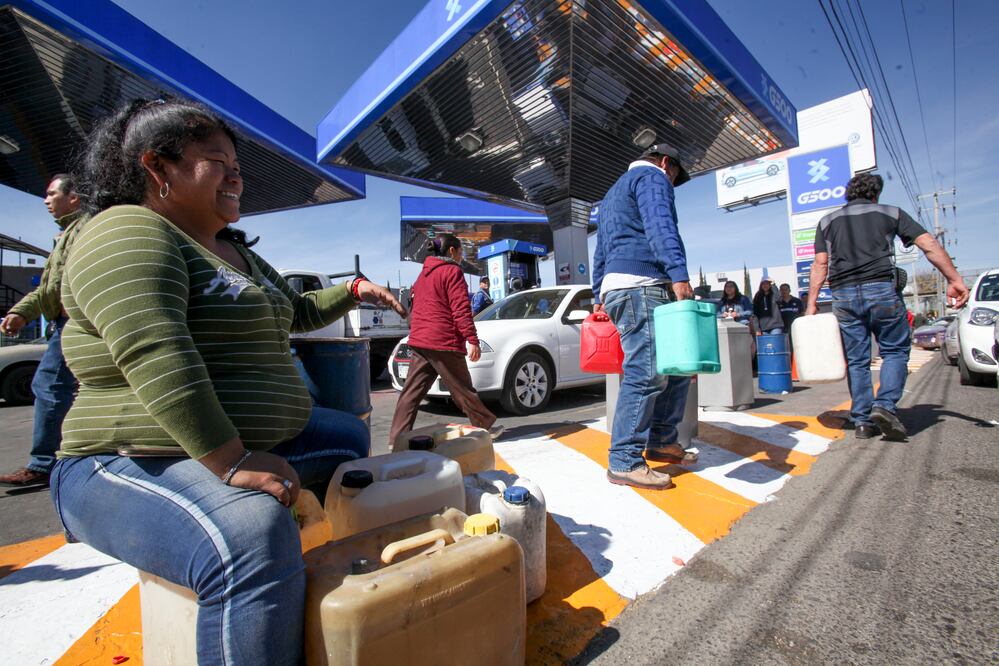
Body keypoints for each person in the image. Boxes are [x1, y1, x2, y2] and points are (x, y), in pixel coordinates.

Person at [50, 98, 406, 665]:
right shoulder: (126, 229)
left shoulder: (236, 254)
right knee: (249, 537)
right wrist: (233, 463)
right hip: (125, 459)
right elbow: (154, 349)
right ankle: (256, 576)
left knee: (348, 438)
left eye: (237, 163)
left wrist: (354, 290)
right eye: (217, 160)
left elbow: (299, 311)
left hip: (239, 444)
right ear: (158, 168)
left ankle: (285, 580)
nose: (237, 174)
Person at [806, 173, 968, 441]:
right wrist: (954, 279)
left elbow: (820, 264)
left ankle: (861, 421)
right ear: (875, 194)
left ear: (849, 194)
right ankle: (884, 406)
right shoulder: (891, 213)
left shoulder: (827, 221)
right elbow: (928, 244)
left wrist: (811, 304)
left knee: (857, 360)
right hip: (880, 289)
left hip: (843, 295)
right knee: (893, 351)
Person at [592, 142, 695, 491]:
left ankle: (662, 438)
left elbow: (601, 249)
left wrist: (598, 293)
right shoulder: (652, 178)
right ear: (666, 162)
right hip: (644, 284)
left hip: (620, 287)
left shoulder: (612, 193)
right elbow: (661, 225)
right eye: (675, 174)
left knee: (674, 366)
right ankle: (624, 460)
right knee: (647, 371)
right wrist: (679, 273)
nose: (672, 180)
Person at [0, 174, 84, 488]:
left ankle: (45, 462)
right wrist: (22, 310)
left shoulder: (84, 231)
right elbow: (51, 287)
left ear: (74, 197)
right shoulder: (66, 234)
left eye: (51, 194)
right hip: (65, 323)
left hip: (74, 324)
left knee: (49, 385)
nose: (46, 201)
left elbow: (68, 285)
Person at [389, 234, 497, 444]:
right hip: (443, 341)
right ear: (451, 251)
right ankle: (484, 427)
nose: (461, 256)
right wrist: (472, 339)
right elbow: (461, 309)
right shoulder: (452, 271)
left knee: (411, 393)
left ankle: (397, 437)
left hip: (420, 341)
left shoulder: (423, 276)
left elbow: (416, 309)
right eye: (460, 251)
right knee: (463, 389)